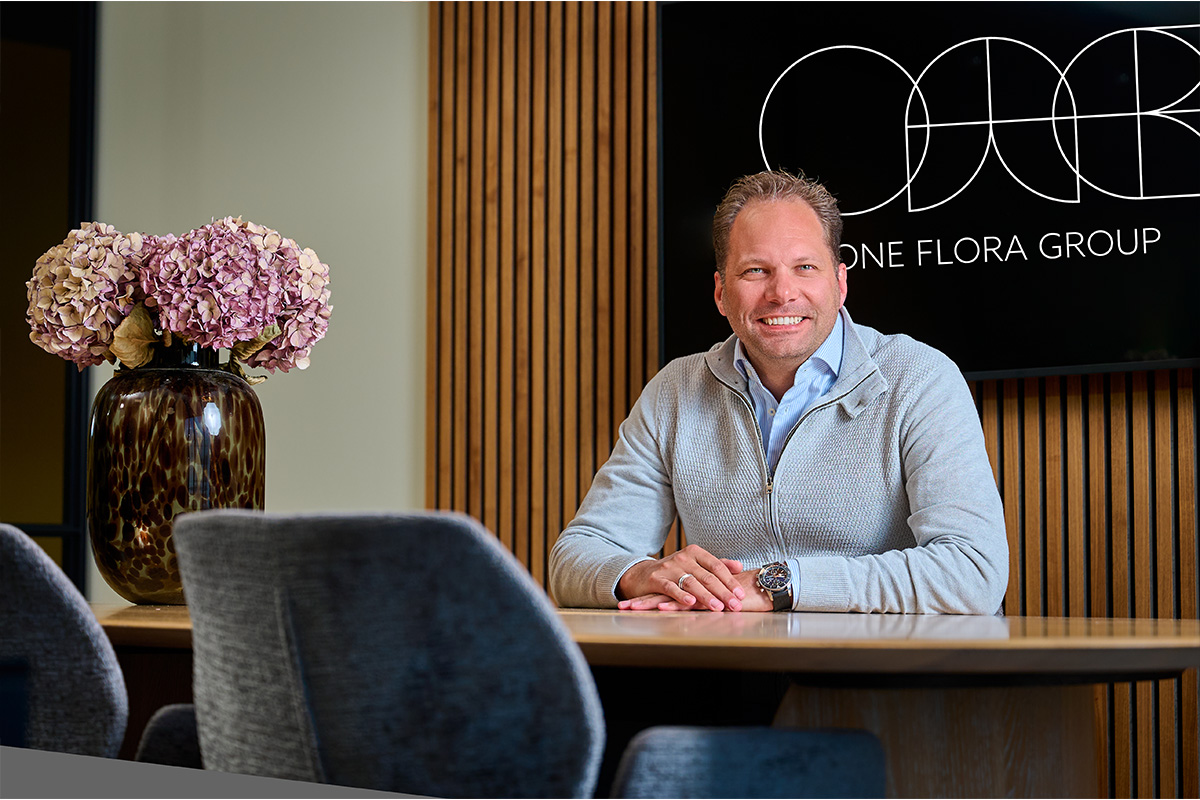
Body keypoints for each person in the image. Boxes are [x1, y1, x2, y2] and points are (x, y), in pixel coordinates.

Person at [549, 170, 1008, 614]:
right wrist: (642, 573)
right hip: (730, 670)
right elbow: (573, 559)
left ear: (840, 282)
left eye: (804, 267)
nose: (782, 292)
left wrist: (782, 584)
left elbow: (973, 572)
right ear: (721, 292)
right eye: (755, 270)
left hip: (891, 675)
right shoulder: (673, 392)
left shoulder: (921, 379)